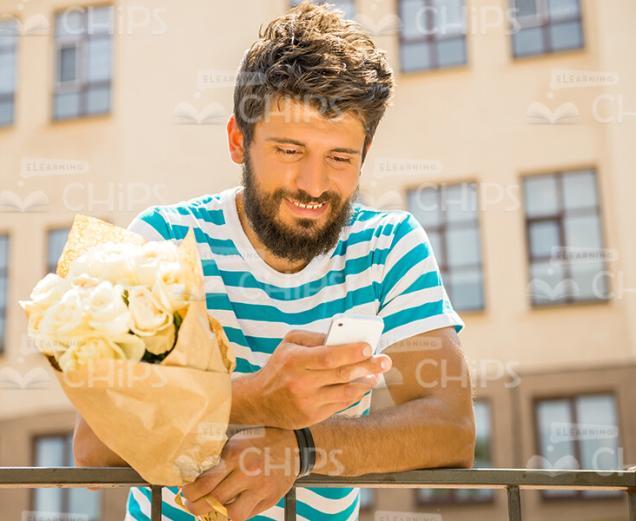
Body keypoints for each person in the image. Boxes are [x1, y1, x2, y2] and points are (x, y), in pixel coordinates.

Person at [73, 2, 475, 520]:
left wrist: (302, 449)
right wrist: (257, 400)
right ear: (239, 141)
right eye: (289, 150)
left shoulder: (389, 244)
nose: (313, 184)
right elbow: (94, 444)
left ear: (364, 155)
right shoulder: (163, 240)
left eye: (339, 157)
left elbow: (451, 429)